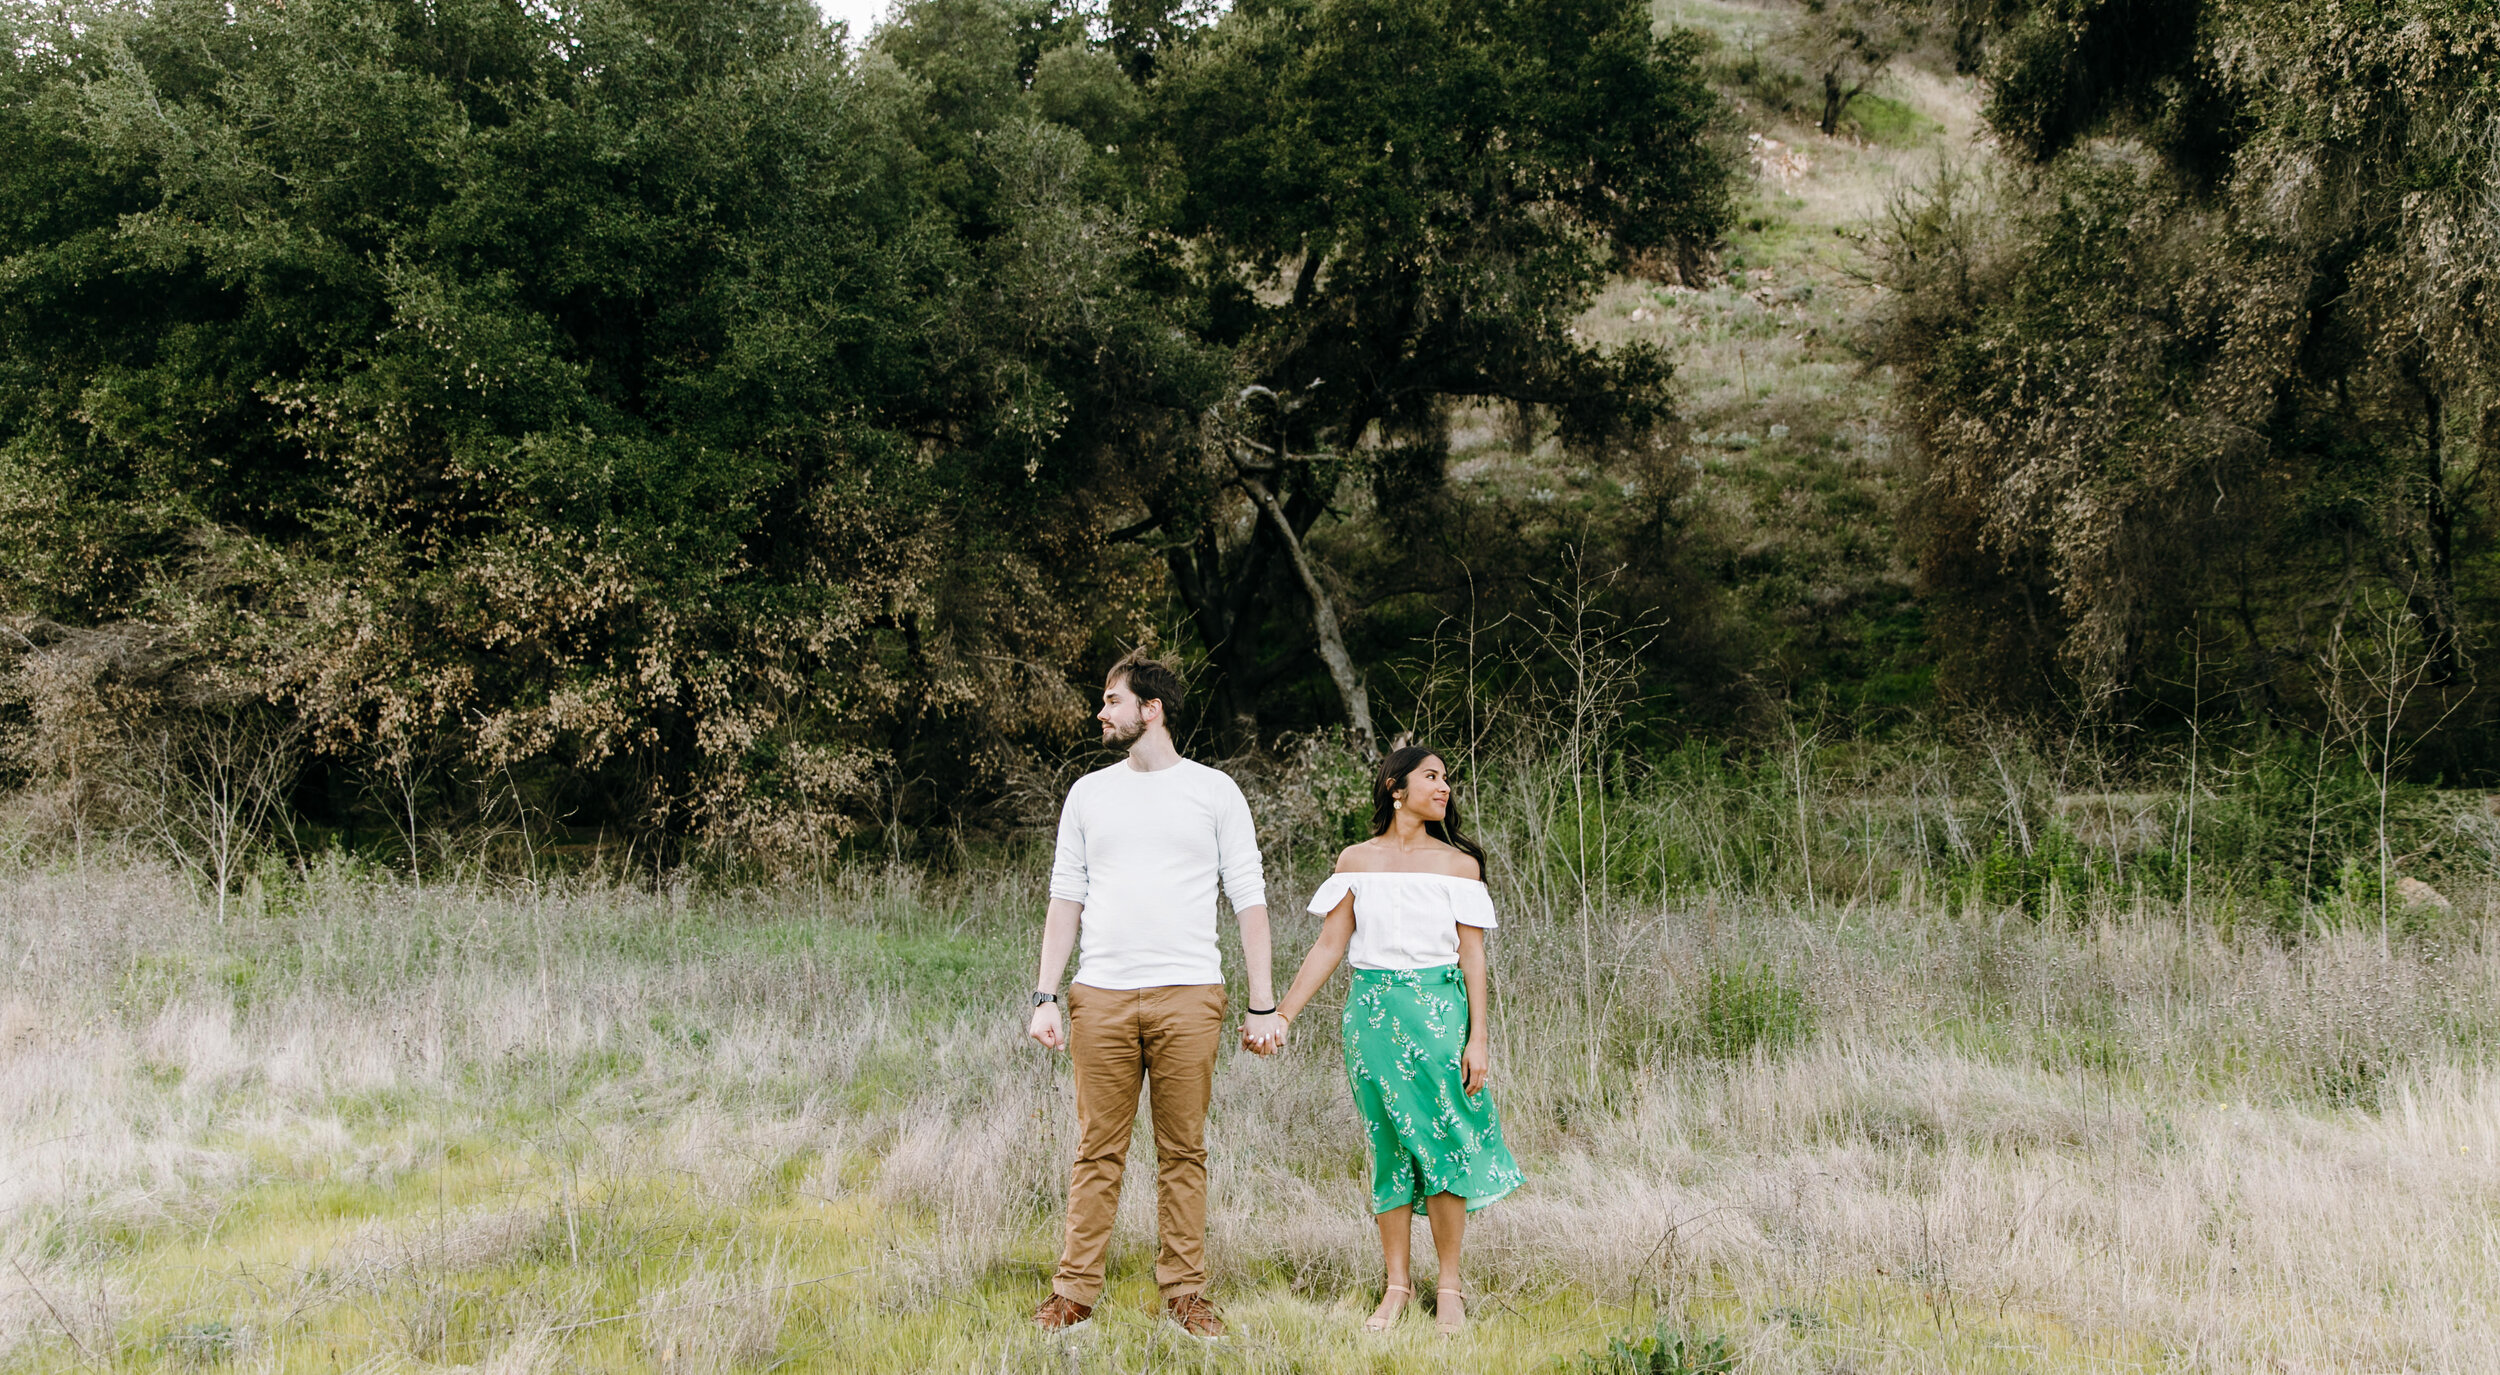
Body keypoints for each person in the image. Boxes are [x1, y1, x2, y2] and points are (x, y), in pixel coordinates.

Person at [1025, 651, 1285, 1340]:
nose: (1100, 711)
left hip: (1190, 994)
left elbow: (1250, 900)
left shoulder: (1215, 791)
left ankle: (1185, 1294)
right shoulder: (1088, 793)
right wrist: (1044, 995)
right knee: (1096, 1150)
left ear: (1152, 708)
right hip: (1100, 996)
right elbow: (1065, 897)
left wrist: (1263, 1003)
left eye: (1112, 699)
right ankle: (1073, 1293)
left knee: (1183, 1151)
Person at [1269, 745, 1524, 1336]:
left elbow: (1473, 957)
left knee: (1444, 1145)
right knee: (1390, 1148)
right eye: (1431, 777)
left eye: (1446, 780)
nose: (1444, 788)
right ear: (1394, 787)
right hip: (1372, 1018)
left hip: (1439, 1016)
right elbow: (1331, 944)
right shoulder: (1355, 860)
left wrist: (1478, 1038)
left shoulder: (1459, 865)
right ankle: (1396, 1287)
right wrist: (1283, 1014)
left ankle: (1450, 1286)